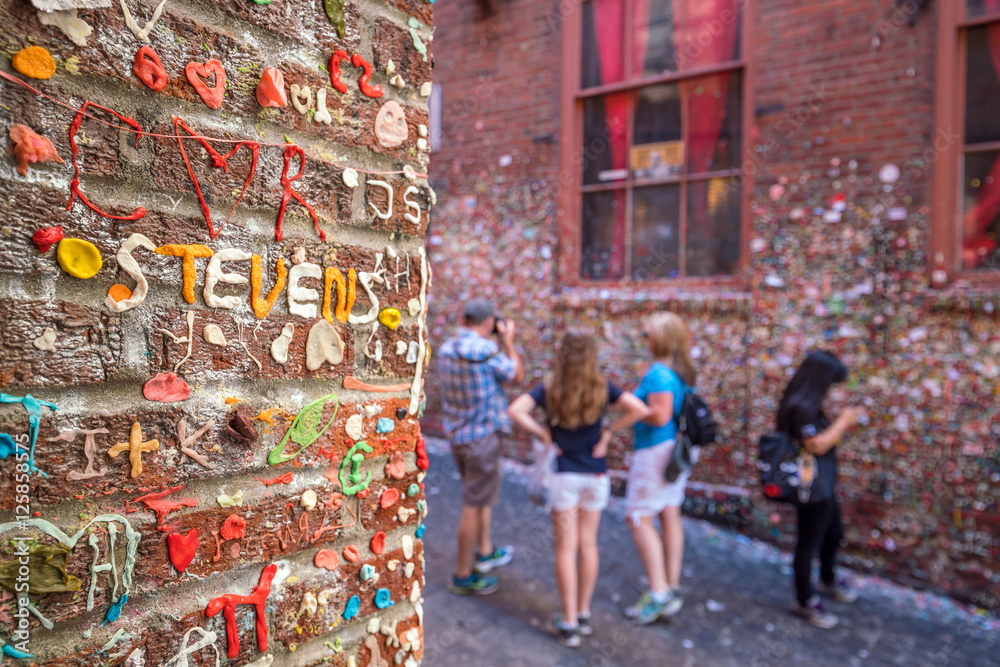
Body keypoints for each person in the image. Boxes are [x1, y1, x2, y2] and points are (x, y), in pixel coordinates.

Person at [508, 330, 649, 647]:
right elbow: (639, 409)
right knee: (589, 545)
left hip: (564, 477)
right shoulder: (602, 386)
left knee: (565, 549)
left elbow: (516, 410)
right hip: (596, 478)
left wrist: (543, 434)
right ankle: (583, 614)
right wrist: (609, 431)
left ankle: (569, 622)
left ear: (561, 353)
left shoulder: (550, 386)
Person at [438, 298, 524, 595]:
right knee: (473, 504)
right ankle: (462, 574)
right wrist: (508, 342)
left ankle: (485, 551)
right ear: (489, 323)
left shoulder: (446, 349)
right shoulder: (488, 351)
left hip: (459, 436)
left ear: (464, 320)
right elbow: (516, 375)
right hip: (484, 438)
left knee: (479, 496)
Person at [777, 350, 862, 629]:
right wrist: (844, 421)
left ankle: (827, 578)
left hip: (821, 484)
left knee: (833, 533)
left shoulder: (807, 403)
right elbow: (817, 444)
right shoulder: (801, 407)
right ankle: (804, 599)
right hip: (809, 487)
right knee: (807, 543)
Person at [623, 312, 697, 625]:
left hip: (655, 451)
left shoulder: (658, 373)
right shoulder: (682, 371)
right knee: (669, 511)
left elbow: (659, 416)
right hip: (676, 451)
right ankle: (670, 583)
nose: (645, 340)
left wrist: (627, 402)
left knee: (638, 516)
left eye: (648, 334)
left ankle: (658, 592)